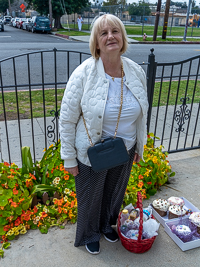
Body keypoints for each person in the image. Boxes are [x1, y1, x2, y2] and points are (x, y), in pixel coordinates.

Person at [59, 14, 148, 255]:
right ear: (96, 42)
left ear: (123, 37)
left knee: (114, 192)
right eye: (103, 33)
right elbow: (67, 118)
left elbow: (142, 112)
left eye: (115, 31)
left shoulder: (136, 71)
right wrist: (68, 157)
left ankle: (106, 224)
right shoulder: (84, 73)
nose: (111, 36)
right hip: (92, 152)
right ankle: (89, 233)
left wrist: (140, 145)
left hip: (124, 148)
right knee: (90, 196)